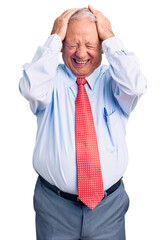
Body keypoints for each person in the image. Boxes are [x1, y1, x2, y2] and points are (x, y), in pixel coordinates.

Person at [19, 5, 147, 240]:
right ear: (61, 47)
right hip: (54, 208)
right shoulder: (50, 79)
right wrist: (54, 37)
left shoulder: (114, 81)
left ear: (101, 48)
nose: (80, 54)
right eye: (72, 44)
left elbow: (135, 85)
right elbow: (30, 88)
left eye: (89, 45)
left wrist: (110, 37)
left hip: (108, 208)